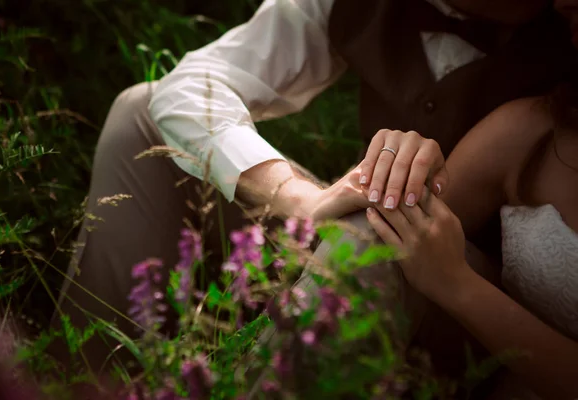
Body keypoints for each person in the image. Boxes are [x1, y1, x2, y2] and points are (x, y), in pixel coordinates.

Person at [51, 0, 573, 377]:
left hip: (480, 320)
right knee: (142, 113)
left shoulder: (566, 28)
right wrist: (301, 199)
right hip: (369, 241)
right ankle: (83, 381)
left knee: (383, 228)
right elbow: (192, 87)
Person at [365, 1, 578, 398]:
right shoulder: (533, 130)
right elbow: (394, 222)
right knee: (381, 227)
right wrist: (392, 171)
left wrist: (459, 286)